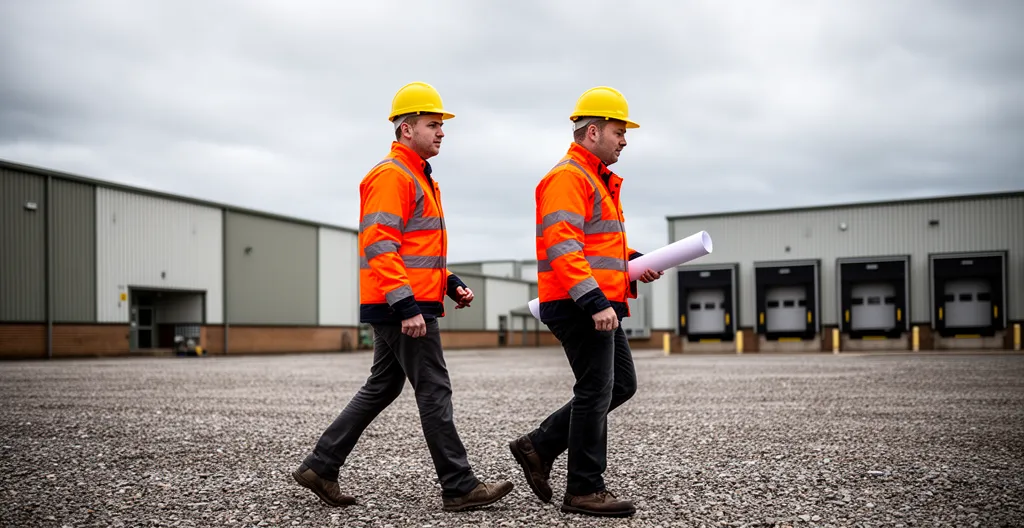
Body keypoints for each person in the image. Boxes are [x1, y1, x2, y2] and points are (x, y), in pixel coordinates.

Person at [293, 81, 513, 512]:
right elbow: (379, 243)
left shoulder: (418, 177)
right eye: (434, 124)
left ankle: (320, 466)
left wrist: (448, 283)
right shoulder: (392, 175)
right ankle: (459, 485)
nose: (442, 132)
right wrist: (406, 306)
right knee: (434, 389)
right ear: (405, 129)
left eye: (442, 125)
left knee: (383, 386)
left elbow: (416, 250)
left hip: (403, 302)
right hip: (401, 307)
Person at [508, 86, 663, 518]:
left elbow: (593, 246)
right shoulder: (569, 177)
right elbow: (563, 246)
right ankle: (583, 489)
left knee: (620, 384)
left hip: (592, 298)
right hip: (578, 301)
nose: (625, 139)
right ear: (592, 131)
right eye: (619, 130)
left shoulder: (595, 179)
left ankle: (538, 445)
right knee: (595, 389)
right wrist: (595, 301)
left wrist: (633, 262)